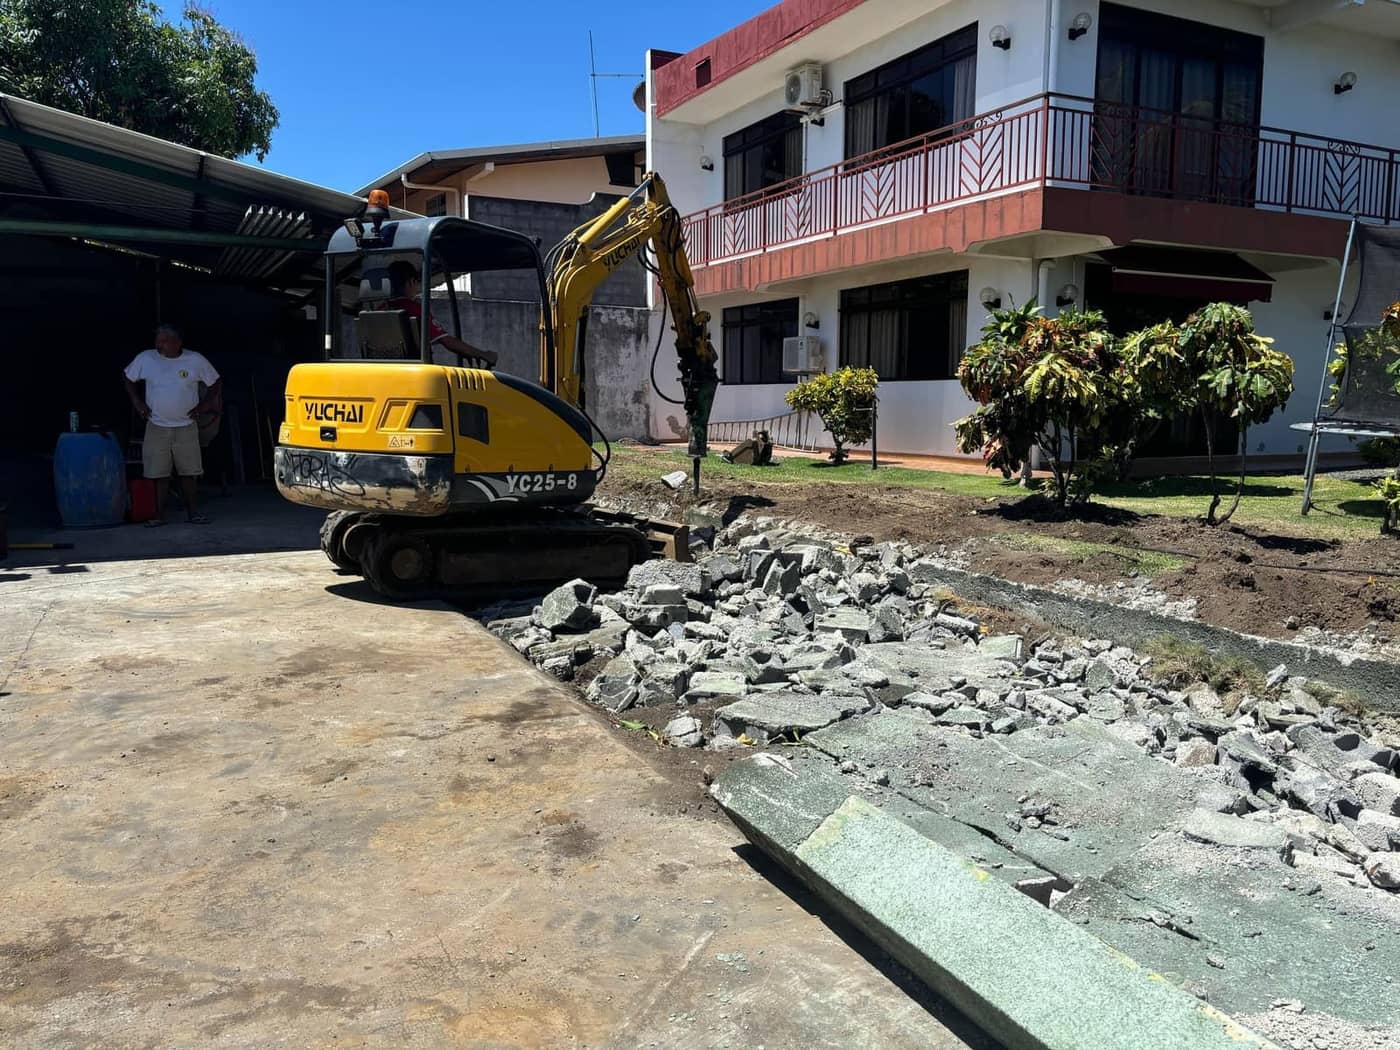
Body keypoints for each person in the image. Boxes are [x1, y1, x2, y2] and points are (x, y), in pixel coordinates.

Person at [123, 324, 222, 526]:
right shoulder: (146, 358)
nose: (159, 344)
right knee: (158, 473)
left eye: (164, 340)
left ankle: (193, 513)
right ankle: (158, 515)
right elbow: (128, 377)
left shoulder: (195, 360)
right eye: (158, 340)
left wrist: (204, 406)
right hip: (156, 425)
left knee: (190, 472)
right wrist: (138, 402)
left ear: (178, 343)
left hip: (186, 425)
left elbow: (215, 382)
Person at [385, 260, 497, 367]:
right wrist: (483, 354)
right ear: (411, 282)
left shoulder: (381, 309)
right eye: (417, 283)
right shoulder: (415, 309)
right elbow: (447, 341)